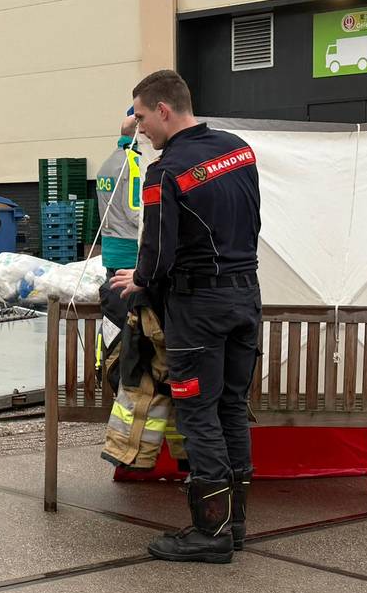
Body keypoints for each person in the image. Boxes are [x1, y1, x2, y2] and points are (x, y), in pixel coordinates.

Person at [112, 69, 262, 565]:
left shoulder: (165, 171)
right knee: (232, 409)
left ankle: (211, 532)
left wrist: (139, 280)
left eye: (140, 117)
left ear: (164, 110)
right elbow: (253, 221)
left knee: (199, 414)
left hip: (199, 309)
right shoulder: (239, 149)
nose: (139, 130)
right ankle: (235, 525)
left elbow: (157, 254)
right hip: (246, 297)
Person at [95, 113, 142, 276]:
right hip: (130, 252)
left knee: (113, 298)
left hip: (111, 251)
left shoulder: (108, 163)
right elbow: (135, 212)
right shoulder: (134, 163)